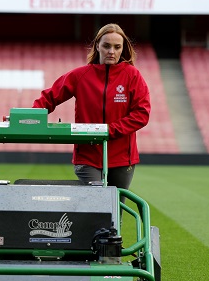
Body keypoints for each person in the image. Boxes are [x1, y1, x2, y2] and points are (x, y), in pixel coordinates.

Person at [32, 23, 151, 192]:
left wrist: (109, 130)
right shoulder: (80, 75)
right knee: (96, 206)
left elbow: (141, 114)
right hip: (87, 157)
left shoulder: (133, 76)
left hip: (123, 159)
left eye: (117, 47)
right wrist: (29, 117)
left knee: (116, 212)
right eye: (106, 46)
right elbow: (49, 98)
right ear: (97, 46)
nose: (111, 51)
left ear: (123, 49)